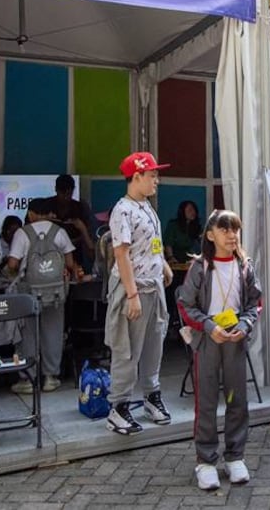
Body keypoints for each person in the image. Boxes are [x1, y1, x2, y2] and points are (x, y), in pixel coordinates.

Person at [176, 210, 262, 491]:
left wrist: (246, 324)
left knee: (237, 399)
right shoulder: (200, 267)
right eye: (224, 230)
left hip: (235, 339)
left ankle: (236, 456)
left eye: (235, 229)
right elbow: (185, 306)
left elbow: (254, 303)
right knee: (207, 401)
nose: (232, 235)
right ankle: (206, 460)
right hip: (208, 341)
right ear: (210, 235)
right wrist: (209, 326)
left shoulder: (245, 266)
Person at [105, 152, 175, 435]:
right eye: (152, 175)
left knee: (153, 344)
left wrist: (165, 266)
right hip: (133, 288)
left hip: (154, 285)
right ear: (136, 176)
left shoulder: (147, 207)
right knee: (127, 348)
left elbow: (151, 244)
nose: (156, 180)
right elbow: (121, 254)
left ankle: (151, 395)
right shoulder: (122, 210)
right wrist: (131, 295)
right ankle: (118, 406)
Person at [5, 198, 80, 393]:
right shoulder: (60, 232)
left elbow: (13, 264)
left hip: (28, 293)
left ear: (31, 213)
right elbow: (70, 264)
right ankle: (50, 377)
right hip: (55, 293)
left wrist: (13, 275)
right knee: (53, 333)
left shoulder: (23, 233)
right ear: (50, 213)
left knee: (27, 334)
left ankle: (28, 379)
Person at [47, 174, 95, 270]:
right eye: (62, 193)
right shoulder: (46, 207)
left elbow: (91, 248)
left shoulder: (81, 208)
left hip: (76, 261)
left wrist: (82, 228)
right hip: (50, 261)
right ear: (56, 190)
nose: (65, 198)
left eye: (68, 194)